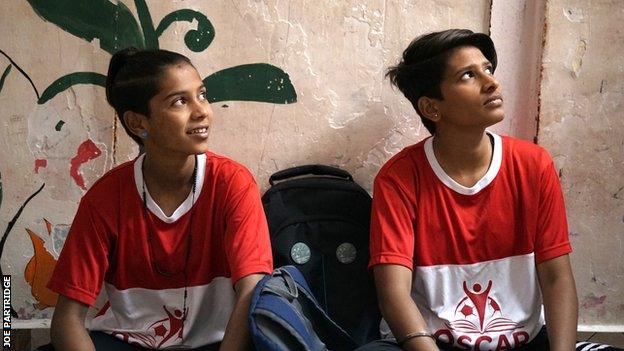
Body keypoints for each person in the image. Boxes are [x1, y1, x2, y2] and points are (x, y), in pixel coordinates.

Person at [357, 29, 579, 351]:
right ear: (432, 108)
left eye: (488, 69)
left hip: (524, 343)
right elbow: (394, 295)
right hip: (430, 345)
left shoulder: (534, 165)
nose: (491, 83)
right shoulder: (399, 178)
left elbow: (557, 279)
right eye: (467, 75)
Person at [45, 48, 273, 350]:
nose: (202, 110)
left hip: (217, 343)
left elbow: (251, 291)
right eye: (180, 101)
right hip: (125, 341)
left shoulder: (232, 183)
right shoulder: (105, 199)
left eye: (202, 95)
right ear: (139, 123)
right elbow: (68, 319)